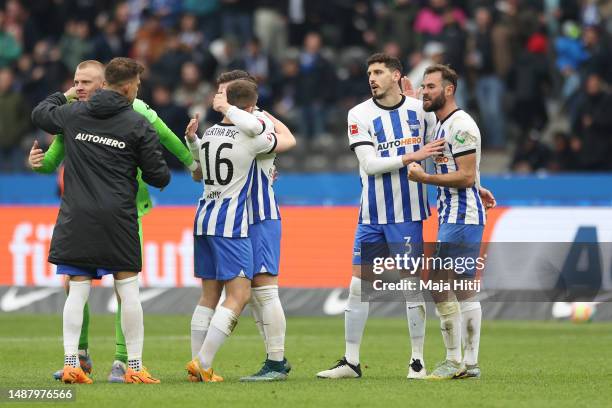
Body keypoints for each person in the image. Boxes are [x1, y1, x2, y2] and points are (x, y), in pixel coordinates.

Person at [28, 59, 199, 383]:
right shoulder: (133, 121)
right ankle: (95, 360)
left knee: (84, 287)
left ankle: (111, 361)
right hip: (120, 213)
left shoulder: (73, 114)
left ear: (104, 84)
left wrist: (193, 164)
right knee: (121, 286)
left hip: (83, 213)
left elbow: (40, 115)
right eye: (75, 83)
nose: (78, 88)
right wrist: (39, 164)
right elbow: (158, 172)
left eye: (84, 83)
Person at [316, 53, 445, 380]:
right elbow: (370, 165)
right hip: (372, 214)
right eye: (369, 73)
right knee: (359, 286)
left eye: (378, 72)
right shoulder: (358, 114)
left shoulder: (419, 110)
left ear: (396, 76)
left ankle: (417, 360)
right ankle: (351, 361)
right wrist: (412, 156)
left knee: (411, 286)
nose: (371, 78)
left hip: (408, 214)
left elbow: (440, 149)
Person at [186, 70, 296, 382]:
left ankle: (275, 361)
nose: (219, 98)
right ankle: (202, 363)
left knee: (263, 290)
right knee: (234, 293)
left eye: (225, 93)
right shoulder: (232, 129)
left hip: (257, 215)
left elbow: (289, 140)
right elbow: (199, 173)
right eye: (219, 92)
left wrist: (256, 111)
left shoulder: (251, 123)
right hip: (232, 219)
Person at [408, 64, 486, 379]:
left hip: (462, 215)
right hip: (453, 213)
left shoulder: (461, 125)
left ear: (448, 89)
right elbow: (466, 172)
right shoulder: (444, 125)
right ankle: (468, 363)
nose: (425, 92)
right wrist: (478, 184)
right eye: (423, 87)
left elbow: (465, 174)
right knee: (461, 288)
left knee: (439, 284)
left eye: (430, 87)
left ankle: (456, 360)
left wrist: (424, 176)